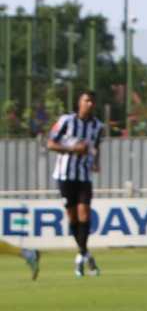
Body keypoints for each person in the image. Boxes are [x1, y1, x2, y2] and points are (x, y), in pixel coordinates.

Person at [47, 90, 104, 276]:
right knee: (72, 217)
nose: (89, 104)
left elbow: (95, 146)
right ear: (79, 103)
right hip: (65, 176)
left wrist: (95, 160)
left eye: (92, 101)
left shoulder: (97, 126)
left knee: (85, 214)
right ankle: (85, 254)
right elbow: (50, 144)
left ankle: (81, 255)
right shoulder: (66, 121)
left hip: (84, 176)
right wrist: (73, 149)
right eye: (86, 100)